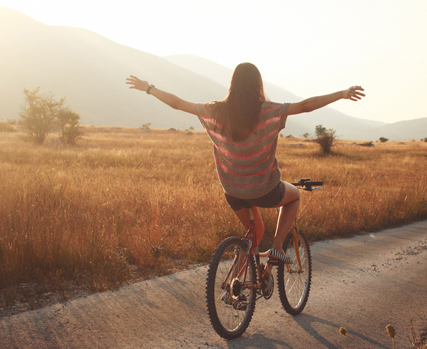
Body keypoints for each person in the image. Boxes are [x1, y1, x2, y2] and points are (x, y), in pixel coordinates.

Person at [126, 62, 364, 263]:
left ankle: (237, 283)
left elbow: (177, 103)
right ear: (258, 85)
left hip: (232, 191)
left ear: (233, 84)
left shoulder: (215, 111)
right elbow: (305, 106)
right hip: (265, 190)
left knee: (254, 233)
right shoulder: (269, 111)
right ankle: (278, 247)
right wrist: (341, 94)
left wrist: (149, 88)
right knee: (295, 196)